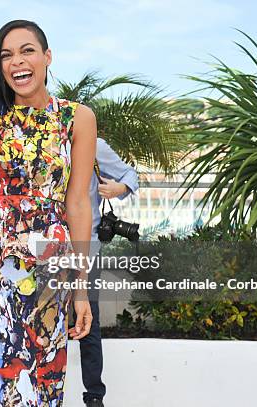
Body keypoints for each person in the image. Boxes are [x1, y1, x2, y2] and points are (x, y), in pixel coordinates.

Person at [0, 20, 96, 406]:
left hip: (52, 267)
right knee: (8, 385)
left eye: (27, 50)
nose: (17, 62)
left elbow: (77, 204)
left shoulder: (78, 118)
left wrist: (81, 291)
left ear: (47, 57)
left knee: (48, 383)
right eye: (6, 55)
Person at [79, 138, 139, 407]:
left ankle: (94, 396)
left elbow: (129, 174)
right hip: (47, 248)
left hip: (87, 246)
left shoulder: (93, 144)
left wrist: (118, 188)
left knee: (89, 320)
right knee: (46, 319)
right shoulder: (38, 143)